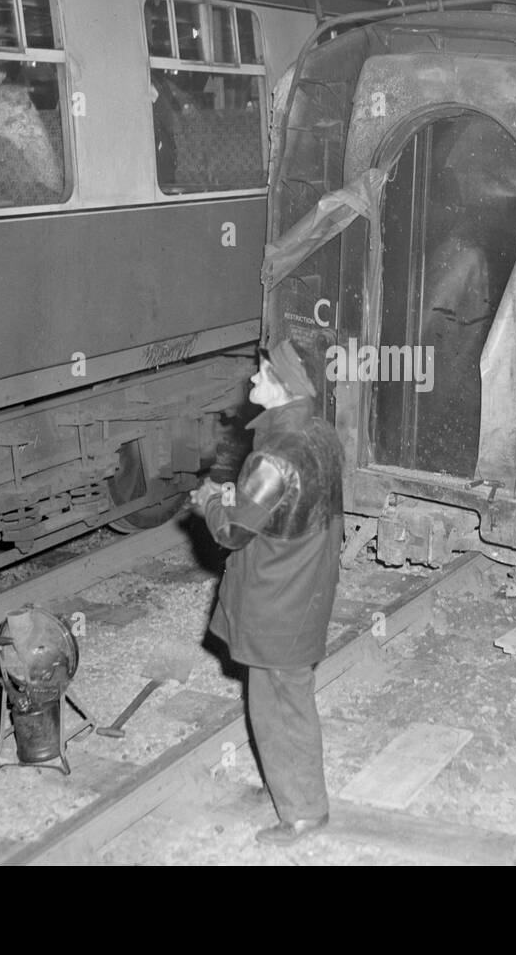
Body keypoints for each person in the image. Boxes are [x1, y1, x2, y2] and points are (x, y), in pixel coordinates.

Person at [190, 341, 344, 845]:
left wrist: (211, 501)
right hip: (305, 586)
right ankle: (287, 787)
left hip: (277, 598)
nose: (253, 378)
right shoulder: (318, 434)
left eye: (262, 373)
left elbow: (232, 534)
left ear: (284, 388)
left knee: (279, 703)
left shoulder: (274, 457)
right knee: (282, 696)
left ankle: (302, 812)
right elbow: (293, 511)